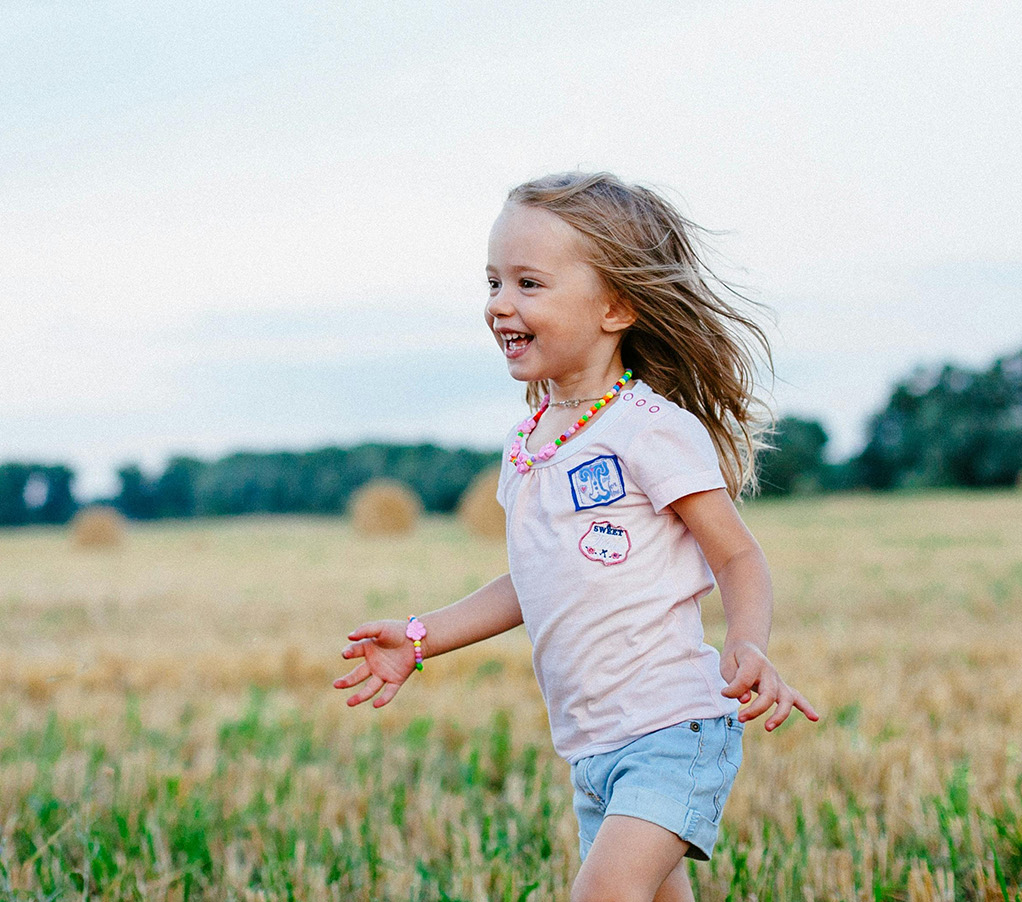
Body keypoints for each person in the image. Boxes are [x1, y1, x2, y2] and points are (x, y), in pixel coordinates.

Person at [333, 171, 819, 902]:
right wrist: (422, 635)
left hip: (671, 730)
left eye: (529, 283)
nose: (500, 304)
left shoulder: (651, 430)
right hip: (592, 749)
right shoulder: (528, 442)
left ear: (616, 306)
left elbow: (736, 553)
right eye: (493, 281)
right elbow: (532, 579)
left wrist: (747, 643)